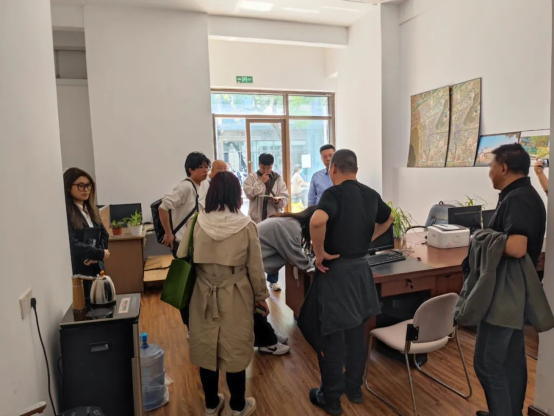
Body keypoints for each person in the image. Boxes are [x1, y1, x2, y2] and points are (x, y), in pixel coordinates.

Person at [298, 149, 394, 416]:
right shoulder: (370, 194)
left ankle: (331, 400)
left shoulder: (333, 193)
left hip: (336, 273)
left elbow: (317, 220)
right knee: (356, 336)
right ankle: (354, 389)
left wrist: (319, 253)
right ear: (356, 170)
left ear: (333, 168)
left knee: (331, 340)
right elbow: (389, 218)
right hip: (361, 271)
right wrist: (368, 239)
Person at [178, 171, 269, 416]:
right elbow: (255, 267)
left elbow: (181, 255)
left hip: (202, 292)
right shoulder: (246, 225)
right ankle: (238, 406)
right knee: (235, 346)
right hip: (236, 292)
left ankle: (211, 404)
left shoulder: (197, 222)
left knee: (206, 345)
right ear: (236, 194)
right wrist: (261, 297)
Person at [473, 144, 547, 416]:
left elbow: (516, 247)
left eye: (491, 166)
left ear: (503, 168)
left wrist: (480, 238)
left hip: (506, 292)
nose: (489, 172)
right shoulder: (525, 195)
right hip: (516, 291)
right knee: (512, 360)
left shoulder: (517, 199)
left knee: (487, 364)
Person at [63, 168, 110, 298]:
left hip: (96, 267)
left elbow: (104, 234)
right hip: (79, 269)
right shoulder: (66, 213)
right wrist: (98, 253)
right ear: (68, 187)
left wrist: (97, 255)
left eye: (88, 185)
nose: (86, 189)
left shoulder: (91, 209)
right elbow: (72, 243)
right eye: (80, 186)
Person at [158, 152, 210, 257]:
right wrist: (169, 233)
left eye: (206, 167)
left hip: (197, 239)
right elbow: (162, 208)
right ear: (190, 170)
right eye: (201, 167)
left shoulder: (205, 184)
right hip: (182, 242)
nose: (205, 170)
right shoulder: (185, 187)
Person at [259, 206, 316, 291]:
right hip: (248, 262)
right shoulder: (292, 227)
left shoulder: (290, 221)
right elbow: (296, 256)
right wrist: (314, 266)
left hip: (250, 259)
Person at [243, 153, 289, 224]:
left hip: (273, 219)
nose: (266, 170)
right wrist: (261, 182)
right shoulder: (252, 177)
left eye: (269, 168)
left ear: (272, 165)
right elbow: (249, 195)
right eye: (263, 167)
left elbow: (285, 198)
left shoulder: (278, 179)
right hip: (256, 219)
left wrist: (277, 201)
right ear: (259, 165)